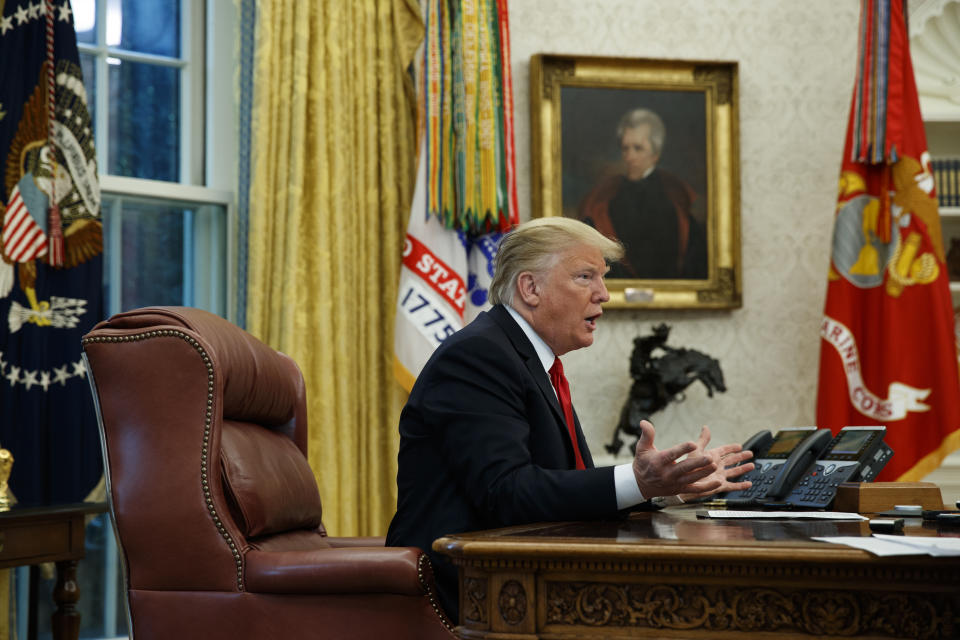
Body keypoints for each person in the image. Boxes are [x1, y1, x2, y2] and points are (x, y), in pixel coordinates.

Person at [385, 217, 752, 620]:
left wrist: (664, 488)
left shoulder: (527, 359)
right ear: (530, 288)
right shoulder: (478, 356)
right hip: (471, 598)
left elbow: (556, 491)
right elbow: (507, 492)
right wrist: (638, 480)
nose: (604, 295)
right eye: (585, 277)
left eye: (603, 278)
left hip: (523, 582)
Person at [578, 108, 707, 279]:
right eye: (625, 149)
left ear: (655, 154)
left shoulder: (675, 197)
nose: (629, 157)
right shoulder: (604, 196)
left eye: (638, 148)